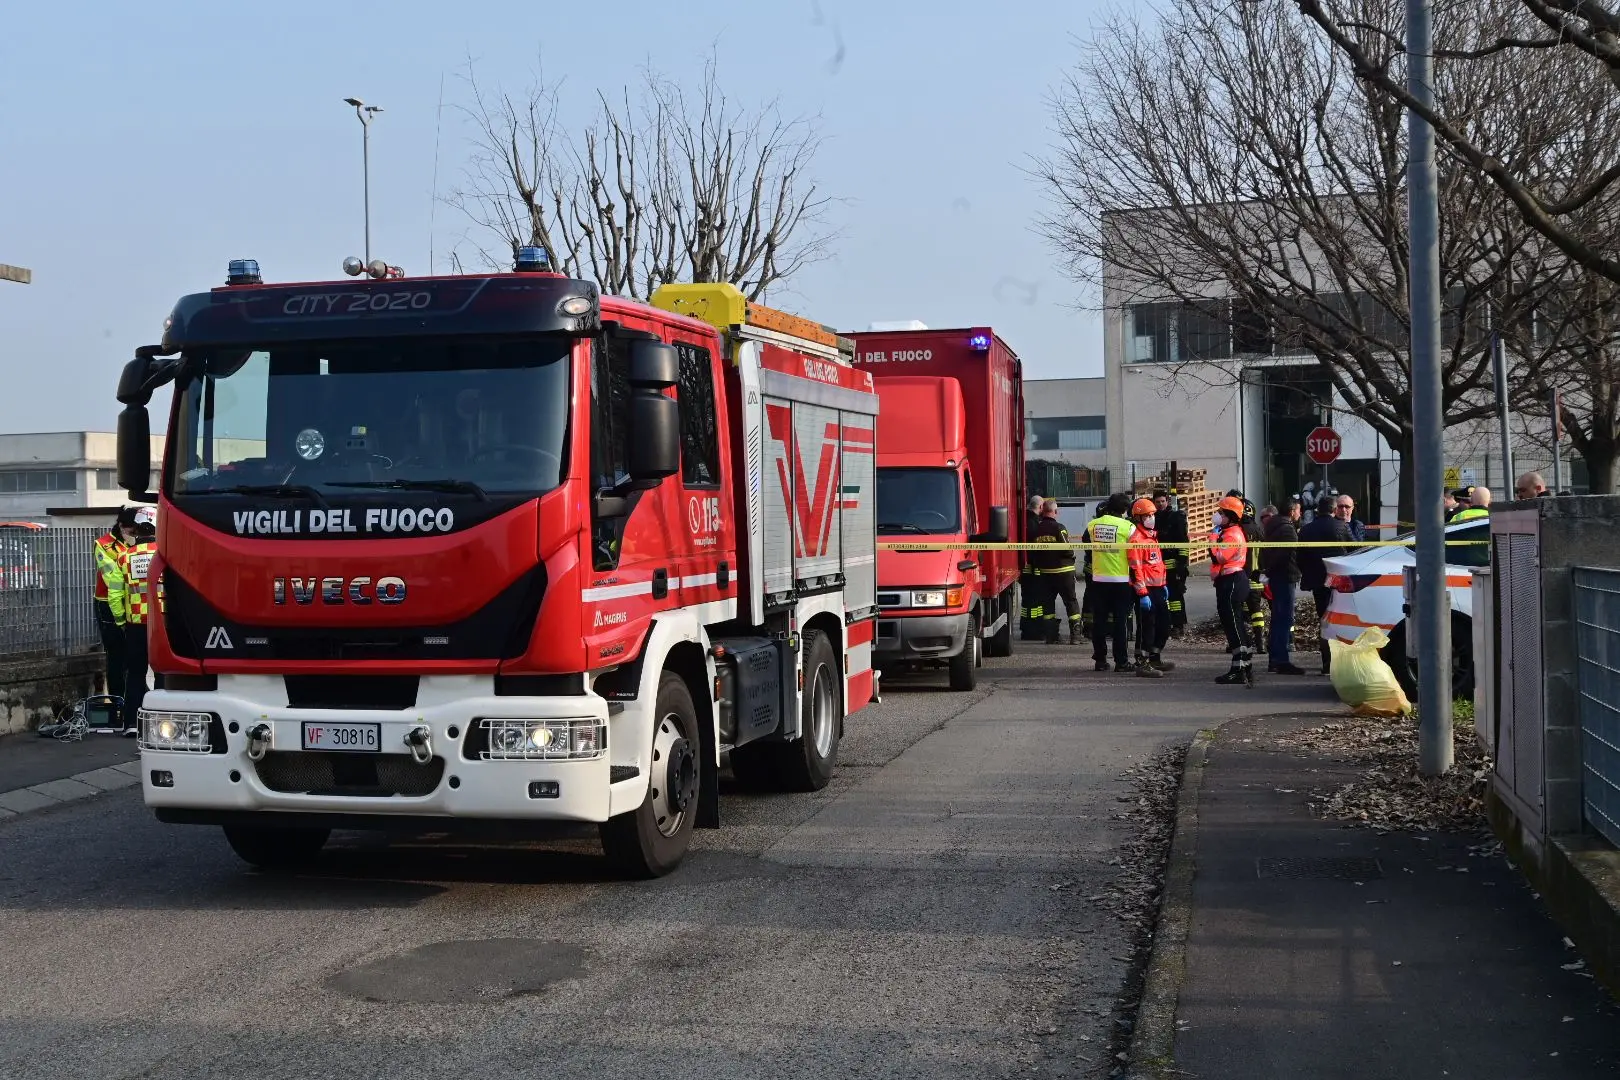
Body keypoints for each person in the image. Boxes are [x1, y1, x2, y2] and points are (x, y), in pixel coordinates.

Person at [109, 507, 161, 736]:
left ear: (137, 528)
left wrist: (122, 621)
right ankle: (161, 723)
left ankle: (131, 723)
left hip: (135, 623)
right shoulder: (165, 553)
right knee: (163, 674)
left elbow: (114, 595)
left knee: (135, 673)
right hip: (161, 624)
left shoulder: (124, 556)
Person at [1298, 494, 1352, 675]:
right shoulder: (1341, 526)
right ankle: (1341, 662)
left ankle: (1327, 663)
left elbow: (1300, 557)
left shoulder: (1306, 530)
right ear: (1334, 509)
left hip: (1317, 582)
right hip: (1339, 581)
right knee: (1342, 619)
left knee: (1324, 621)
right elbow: (1356, 550)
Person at [92, 508, 137, 713]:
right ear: (121, 526)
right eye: (132, 529)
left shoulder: (138, 544)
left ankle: (133, 699)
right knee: (116, 654)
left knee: (133, 653)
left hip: (132, 604)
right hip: (107, 604)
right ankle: (118, 702)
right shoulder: (103, 545)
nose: (134, 533)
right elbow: (112, 579)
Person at [1084, 493, 1136, 672]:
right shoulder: (1128, 526)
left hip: (1098, 579)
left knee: (1099, 621)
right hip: (1120, 579)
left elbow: (1085, 542)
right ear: (1124, 509)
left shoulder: (1093, 525)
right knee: (1120, 622)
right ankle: (1121, 662)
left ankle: (1100, 660)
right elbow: (1135, 551)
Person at [1210, 495, 1253, 685]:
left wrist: (1212, 538)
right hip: (1230, 580)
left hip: (1232, 581)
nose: (1217, 515)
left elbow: (1219, 557)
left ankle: (1239, 669)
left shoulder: (1232, 534)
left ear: (1230, 515)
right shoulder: (1230, 532)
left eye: (1221, 512)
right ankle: (1244, 666)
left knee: (1233, 625)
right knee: (1234, 624)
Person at [1127, 497, 1172, 677]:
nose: (1151, 518)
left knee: (1165, 624)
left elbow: (1157, 564)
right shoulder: (1136, 540)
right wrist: (1142, 592)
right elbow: (1135, 568)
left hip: (1159, 587)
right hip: (1146, 590)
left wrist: (1164, 584)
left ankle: (1155, 656)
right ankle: (1143, 662)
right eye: (1147, 515)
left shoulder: (1152, 537)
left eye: (1152, 514)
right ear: (1138, 518)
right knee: (1148, 626)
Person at [1262, 498, 1307, 675]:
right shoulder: (1287, 529)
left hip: (1278, 577)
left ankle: (1275, 658)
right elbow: (1285, 556)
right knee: (1284, 619)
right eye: (1298, 510)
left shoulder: (1273, 525)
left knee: (1278, 618)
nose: (1300, 513)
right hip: (1285, 577)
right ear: (1291, 511)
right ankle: (1281, 660)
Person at [1029, 499, 1082, 644]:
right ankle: (1076, 637)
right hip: (1064, 571)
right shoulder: (1059, 527)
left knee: (1047, 604)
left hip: (1045, 573)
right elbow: (1066, 549)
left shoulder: (1036, 529)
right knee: (1071, 602)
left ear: (1042, 511)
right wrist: (1072, 556)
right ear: (1055, 512)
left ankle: (1051, 636)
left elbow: (1033, 552)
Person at [1228, 489, 1267, 655]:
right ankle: (1261, 643)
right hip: (1257, 577)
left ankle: (1243, 643)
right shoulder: (1259, 530)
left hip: (1242, 577)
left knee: (1240, 612)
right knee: (1256, 611)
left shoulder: (1238, 531)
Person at [1153, 488, 1190, 635]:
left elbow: (1183, 542)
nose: (1160, 504)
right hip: (1156, 565)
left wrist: (1181, 564)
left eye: (1162, 501)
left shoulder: (1176, 518)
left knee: (1175, 596)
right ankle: (1165, 625)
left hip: (1173, 565)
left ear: (1167, 502)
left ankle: (1178, 625)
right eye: (1157, 502)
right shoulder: (1152, 519)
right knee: (1161, 597)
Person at [1020, 494, 1046, 641]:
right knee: (1036, 603)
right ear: (1040, 507)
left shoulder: (1023, 520)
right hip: (1034, 569)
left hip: (1025, 569)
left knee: (1026, 602)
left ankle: (1026, 629)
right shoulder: (1035, 524)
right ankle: (1034, 631)